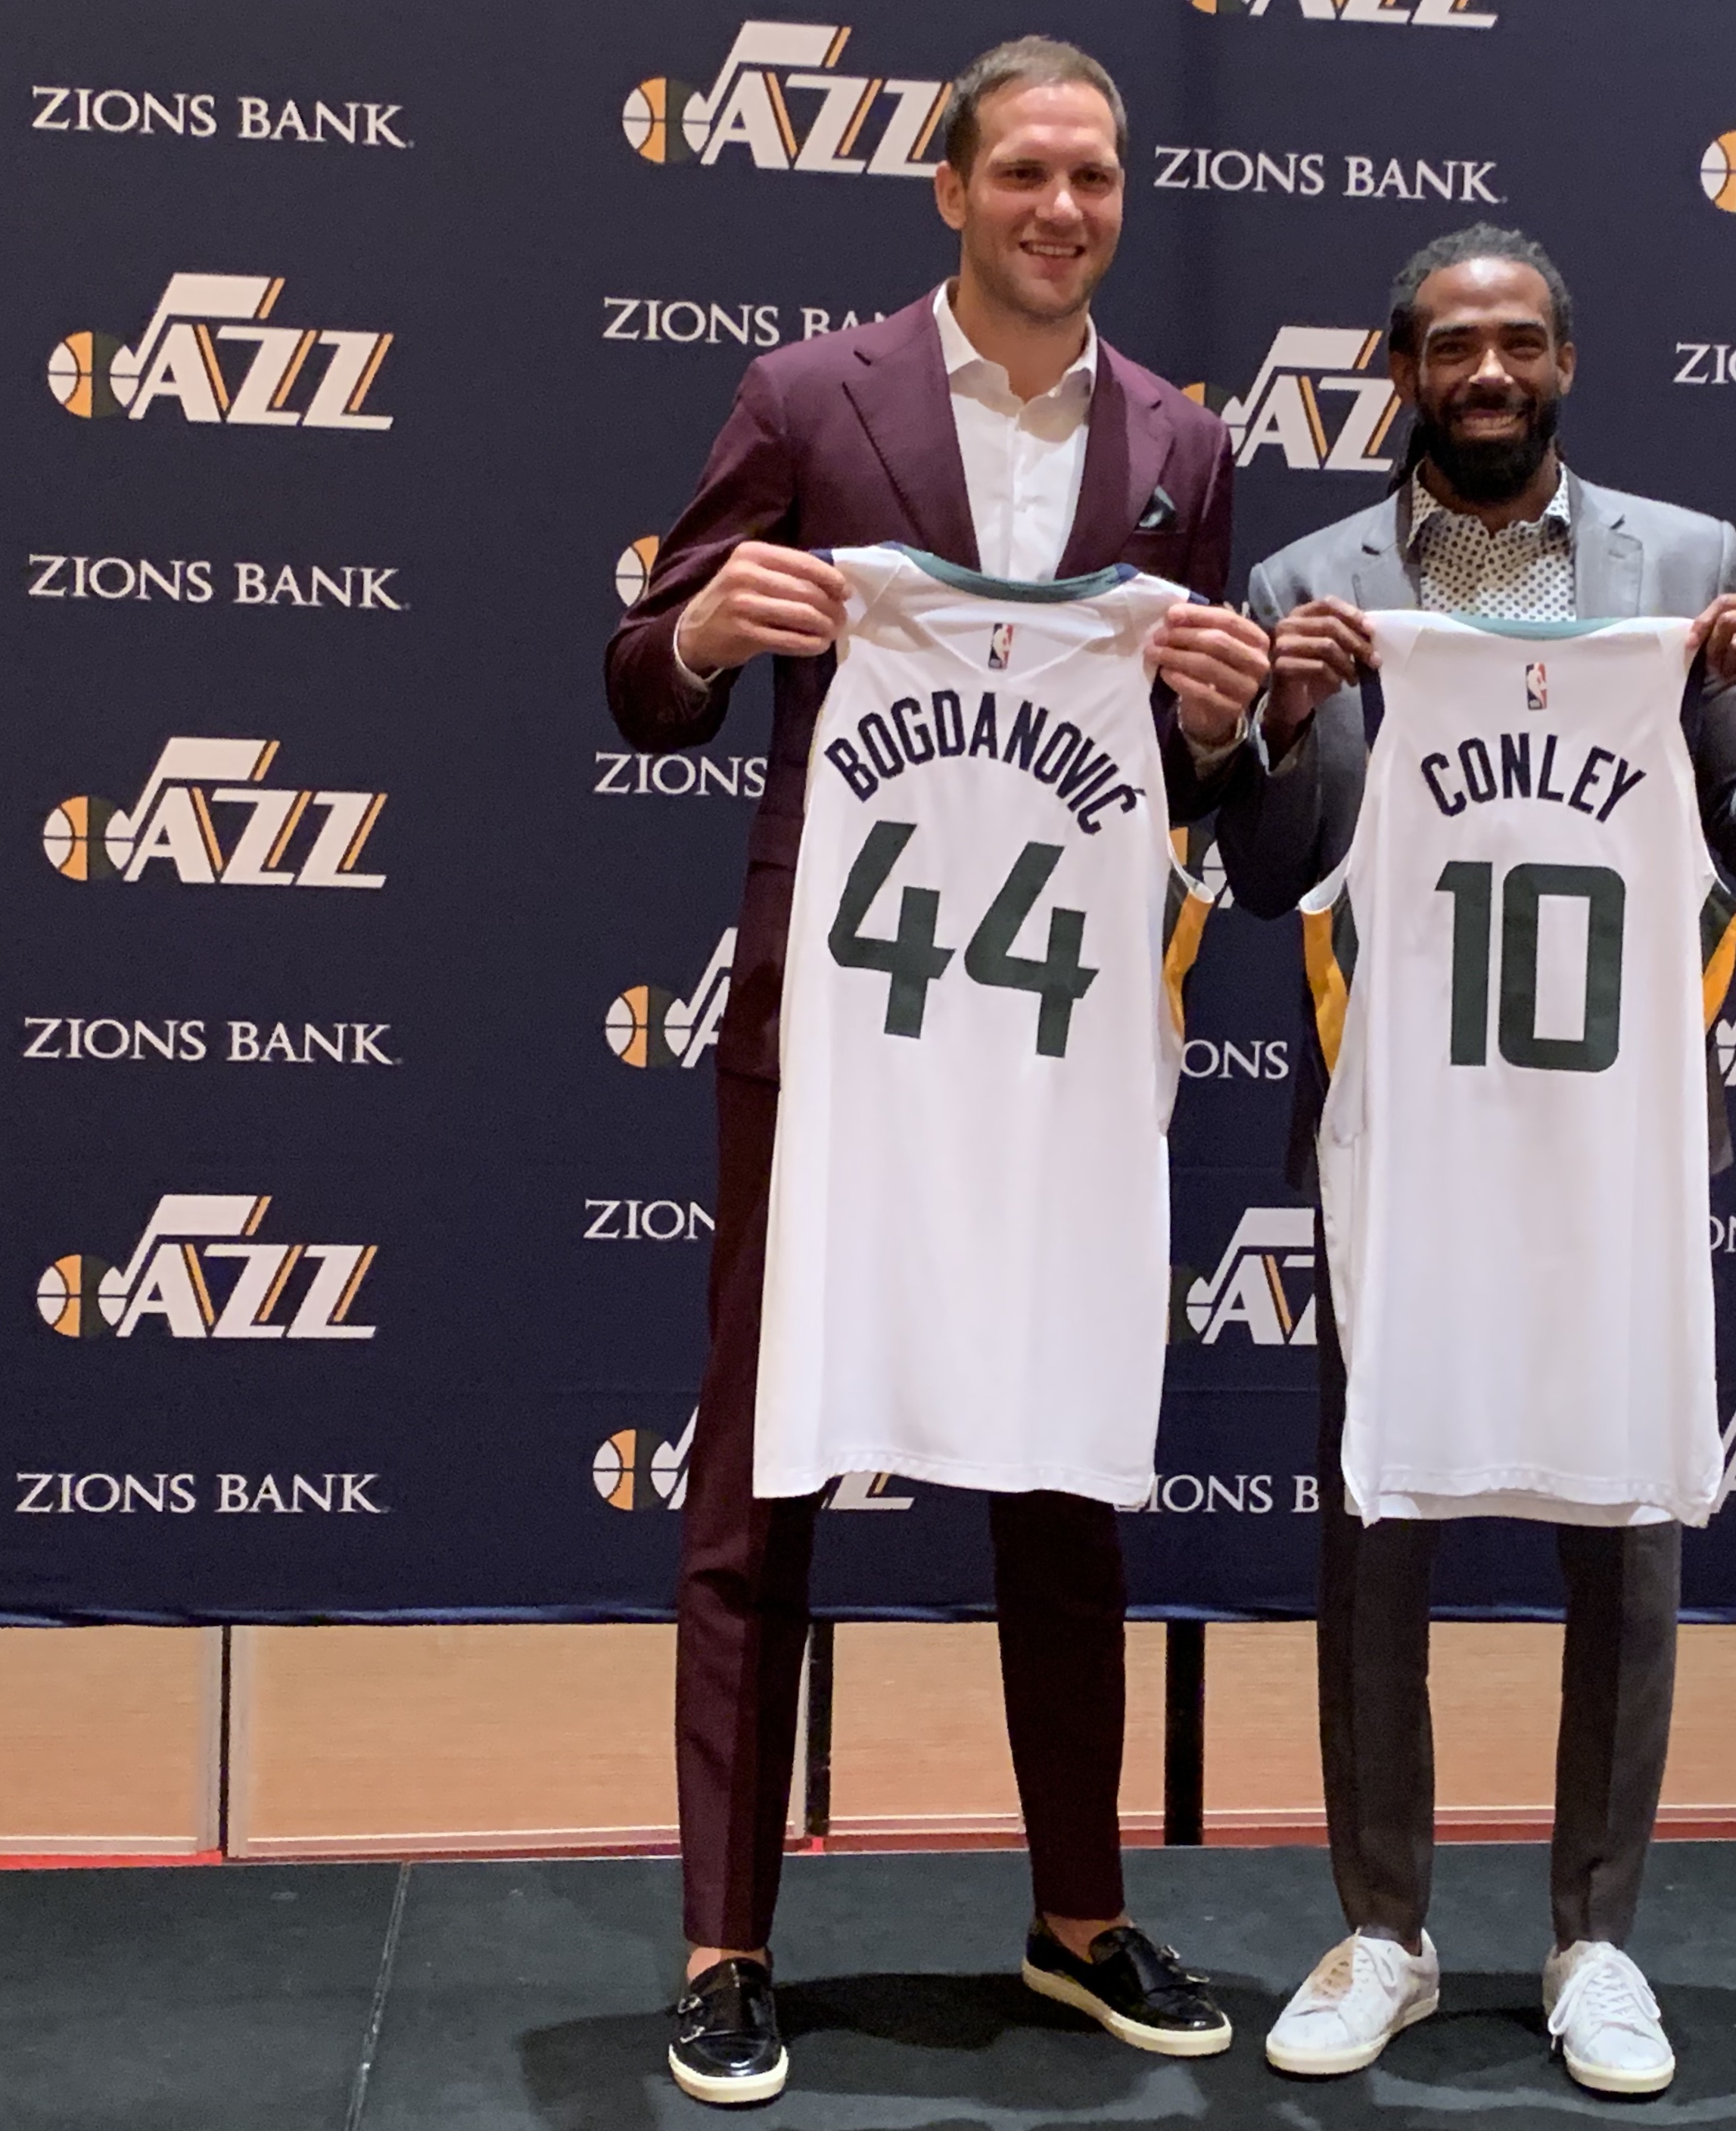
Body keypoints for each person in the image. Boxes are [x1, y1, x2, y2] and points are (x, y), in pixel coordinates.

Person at [602, 37, 1271, 2107]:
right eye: (1024, 175)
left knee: (1064, 1457)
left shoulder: (1179, 439)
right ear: (949, 188)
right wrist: (711, 630)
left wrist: (1228, 708)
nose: (1061, 209)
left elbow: (1201, 776)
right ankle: (727, 1943)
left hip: (1060, 1038)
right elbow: (644, 675)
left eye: (1093, 179)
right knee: (763, 1468)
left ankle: (1078, 1916)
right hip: (839, 1027)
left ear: (1120, 203)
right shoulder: (812, 398)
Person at [1215, 224, 1736, 2096]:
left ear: (1565, 359)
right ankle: (1385, 1926)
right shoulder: (1311, 578)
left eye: (1518, 345)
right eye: (1450, 347)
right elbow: (1265, 864)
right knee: (1374, 1525)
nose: (1486, 373)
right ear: (1396, 368)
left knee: (1625, 1530)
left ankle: (1596, 1938)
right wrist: (1287, 719)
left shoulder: (1687, 566)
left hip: (1608, 1125)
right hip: (1403, 1127)